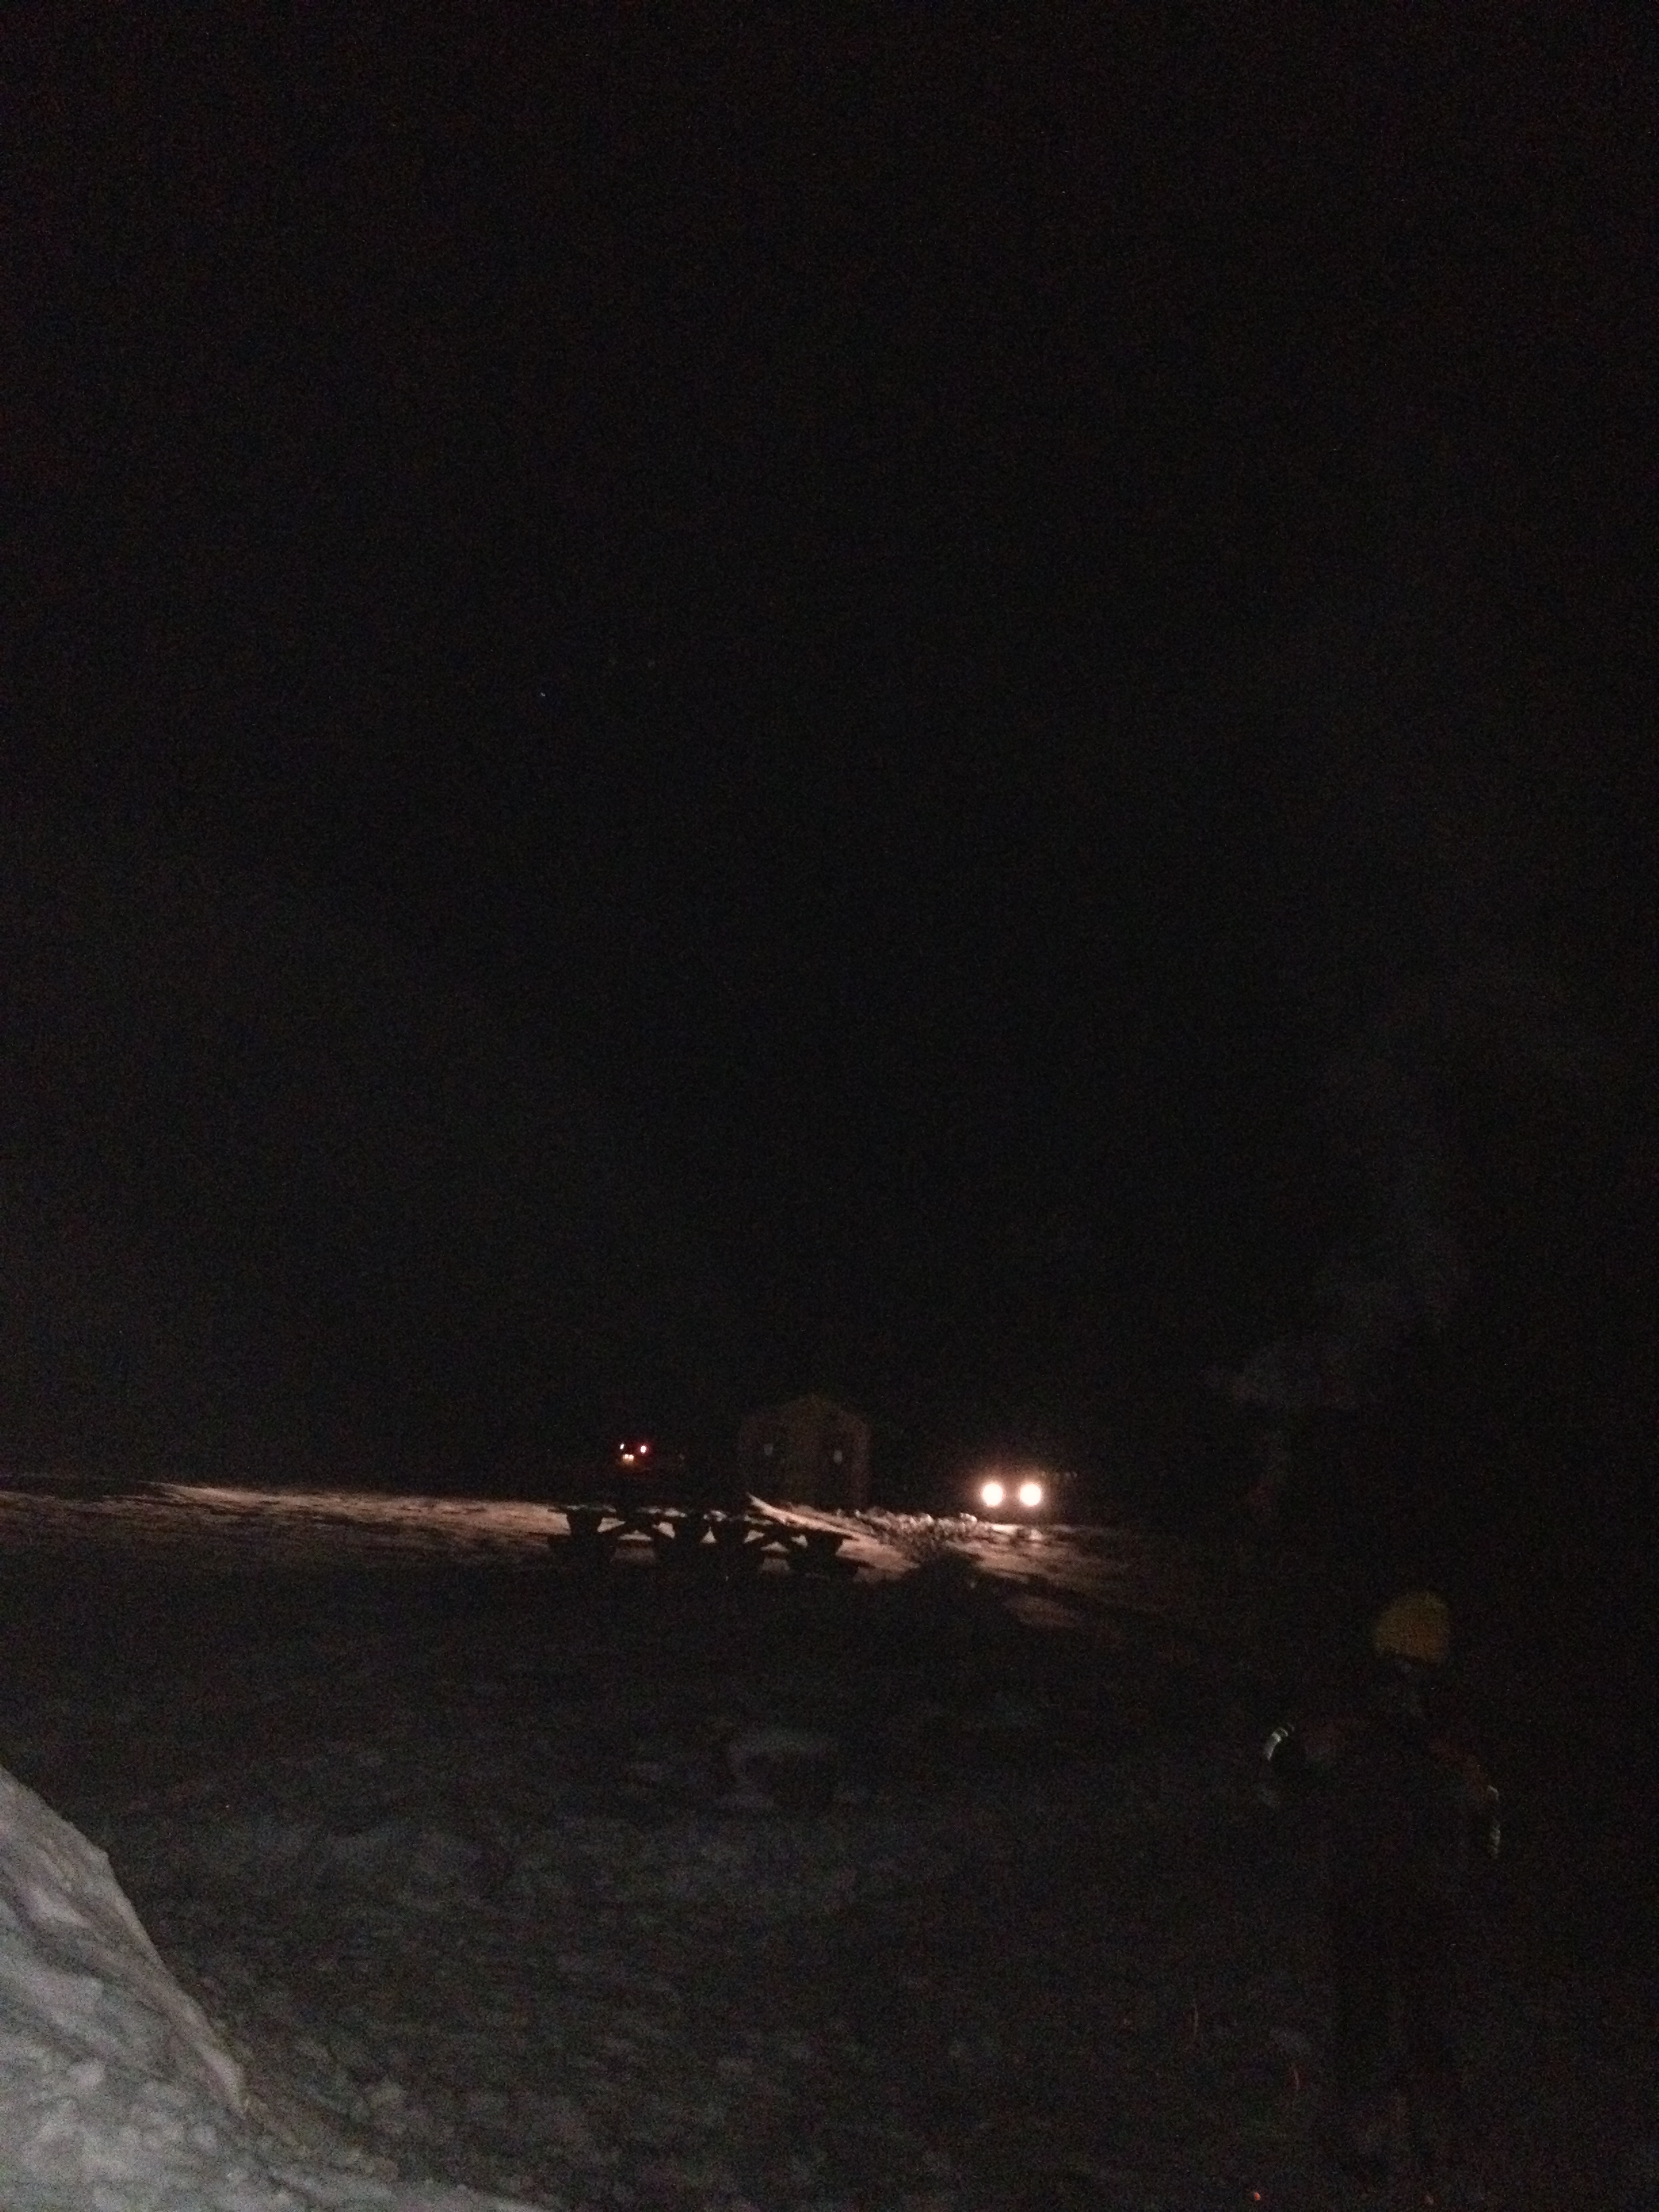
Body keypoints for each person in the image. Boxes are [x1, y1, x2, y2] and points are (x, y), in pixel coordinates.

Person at [1261, 1590, 1501, 2190]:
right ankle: (1401, 2142)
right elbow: (1283, 1762)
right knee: (1397, 2021)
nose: (1407, 1681)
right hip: (1391, 1889)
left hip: (1391, 1889)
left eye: (1416, 1667)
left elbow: (1489, 1818)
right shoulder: (1369, 1713)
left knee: (1391, 2022)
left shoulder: (1444, 1726)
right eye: (1400, 1665)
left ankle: (1408, 2142)